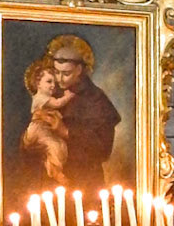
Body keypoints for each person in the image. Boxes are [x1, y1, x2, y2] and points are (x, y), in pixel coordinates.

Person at [42, 35, 120, 197]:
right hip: (52, 180)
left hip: (85, 179)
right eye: (56, 72)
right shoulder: (50, 93)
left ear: (79, 70)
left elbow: (103, 150)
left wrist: (66, 132)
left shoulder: (96, 99)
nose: (60, 78)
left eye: (66, 73)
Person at [20, 59, 73, 185]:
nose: (53, 85)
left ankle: (53, 168)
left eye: (54, 82)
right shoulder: (40, 97)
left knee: (60, 145)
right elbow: (58, 103)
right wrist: (68, 96)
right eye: (49, 81)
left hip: (45, 129)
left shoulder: (45, 97)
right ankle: (55, 172)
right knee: (53, 146)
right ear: (38, 83)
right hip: (38, 129)